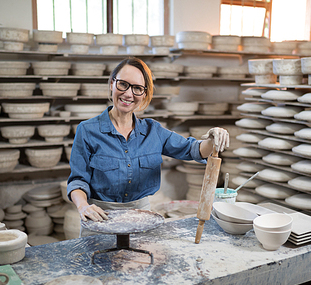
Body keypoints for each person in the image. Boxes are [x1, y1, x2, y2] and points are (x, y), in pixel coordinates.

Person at [67, 57, 229, 226]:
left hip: (141, 219)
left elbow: (193, 150)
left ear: (144, 94)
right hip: (100, 218)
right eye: (123, 84)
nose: (128, 94)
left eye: (137, 88)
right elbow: (78, 180)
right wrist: (83, 205)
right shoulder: (87, 130)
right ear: (111, 84)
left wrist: (213, 139)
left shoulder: (154, 131)